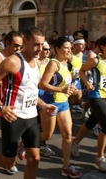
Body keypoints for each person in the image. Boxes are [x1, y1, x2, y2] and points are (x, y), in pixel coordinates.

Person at [0, 26, 57, 179]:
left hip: (31, 117)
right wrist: (1, 107)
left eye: (42, 45)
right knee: (8, 162)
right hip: (13, 117)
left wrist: (44, 105)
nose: (40, 49)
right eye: (36, 44)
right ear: (25, 42)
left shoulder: (38, 63)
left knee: (34, 159)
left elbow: (30, 91)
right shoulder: (13, 61)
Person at [72, 36, 106, 172]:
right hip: (96, 96)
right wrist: (87, 83)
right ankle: (100, 157)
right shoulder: (96, 60)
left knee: (91, 123)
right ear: (102, 47)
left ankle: (75, 143)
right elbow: (81, 70)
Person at [38, 37, 82, 178]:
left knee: (68, 134)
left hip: (63, 103)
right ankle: (25, 142)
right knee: (47, 135)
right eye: (67, 48)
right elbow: (43, 85)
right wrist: (62, 90)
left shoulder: (67, 63)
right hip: (51, 102)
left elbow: (68, 82)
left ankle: (66, 166)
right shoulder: (53, 64)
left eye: (70, 48)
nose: (70, 50)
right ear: (57, 49)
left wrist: (72, 89)